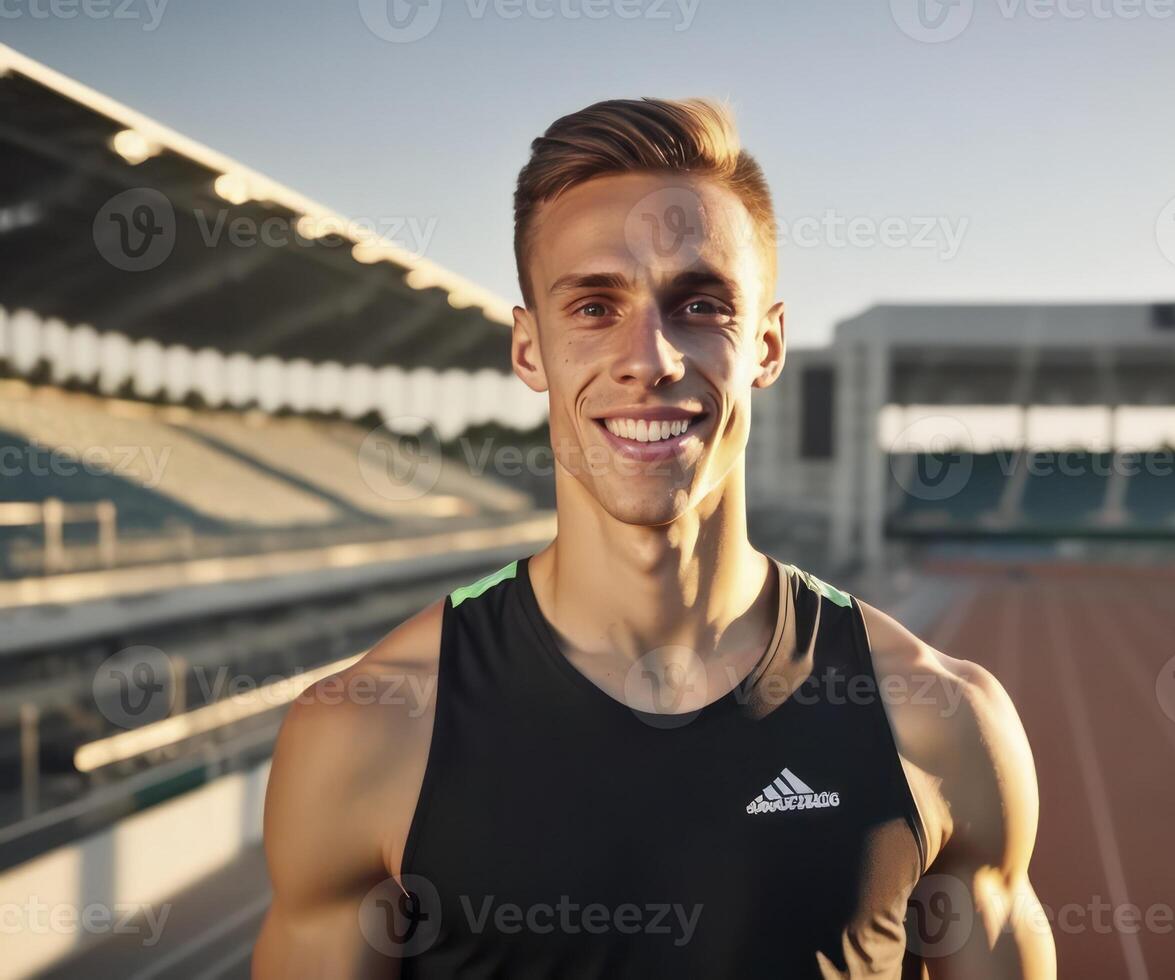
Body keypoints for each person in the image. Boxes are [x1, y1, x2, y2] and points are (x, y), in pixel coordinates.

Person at [254, 97, 1054, 978]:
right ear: (529, 350)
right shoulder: (368, 732)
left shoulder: (937, 721)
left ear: (767, 344)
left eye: (701, 303)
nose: (652, 358)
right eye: (594, 306)